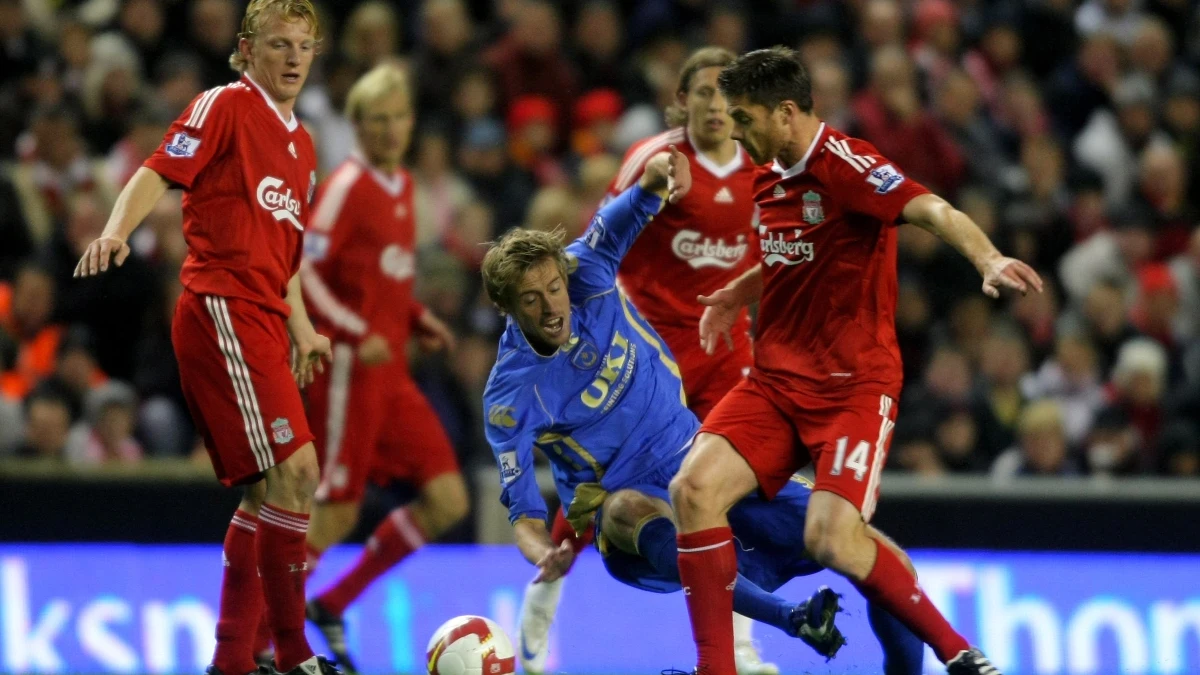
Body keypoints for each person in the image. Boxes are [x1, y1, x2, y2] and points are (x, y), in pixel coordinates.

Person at [669, 47, 1043, 675]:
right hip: (775, 380)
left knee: (830, 539)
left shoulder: (847, 163)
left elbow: (932, 210)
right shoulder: (768, 174)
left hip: (851, 388)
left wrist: (987, 259)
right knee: (692, 490)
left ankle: (958, 653)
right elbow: (795, 252)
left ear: (786, 113)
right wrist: (739, 291)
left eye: (745, 117)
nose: (735, 130)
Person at [482, 148, 925, 675]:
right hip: (636, 518)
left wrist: (654, 179)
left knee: (880, 555)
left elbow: (632, 206)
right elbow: (525, 515)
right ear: (507, 307)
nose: (553, 306)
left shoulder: (587, 270)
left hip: (701, 458)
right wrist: (541, 554)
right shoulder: (509, 397)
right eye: (531, 300)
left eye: (553, 288)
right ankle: (787, 619)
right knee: (625, 509)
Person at [73, 2, 339, 674]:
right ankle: (294, 653)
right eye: (278, 44)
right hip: (220, 307)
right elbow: (158, 169)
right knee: (298, 470)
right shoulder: (224, 104)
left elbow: (287, 255)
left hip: (263, 318)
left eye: (303, 46)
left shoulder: (303, 144)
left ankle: (230, 662)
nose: (292, 58)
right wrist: (115, 229)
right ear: (246, 49)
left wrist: (302, 325)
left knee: (265, 491)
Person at [517, 46, 771, 675]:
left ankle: (737, 649)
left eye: (725, 93)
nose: (715, 105)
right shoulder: (654, 160)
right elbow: (596, 243)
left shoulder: (762, 169)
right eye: (702, 93)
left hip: (725, 352)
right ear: (680, 102)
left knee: (724, 491)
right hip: (651, 354)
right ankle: (546, 589)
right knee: (600, 484)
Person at [298, 63, 467, 674]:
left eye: (399, 118)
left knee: (448, 498)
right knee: (337, 505)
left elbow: (382, 275)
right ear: (358, 125)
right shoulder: (348, 185)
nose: (391, 129)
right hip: (349, 368)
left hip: (391, 368)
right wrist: (351, 330)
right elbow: (307, 271)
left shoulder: (400, 184)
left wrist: (415, 315)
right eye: (378, 120)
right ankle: (270, 635)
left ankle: (334, 602)